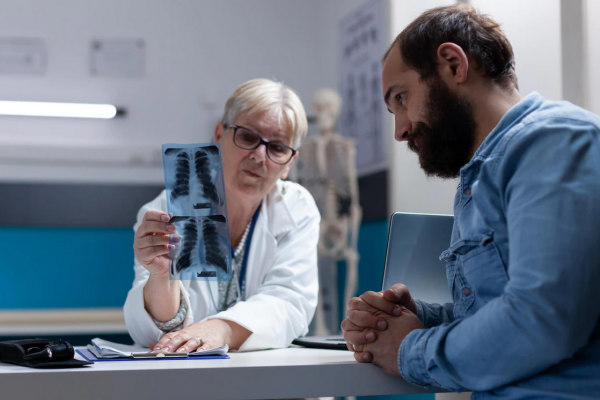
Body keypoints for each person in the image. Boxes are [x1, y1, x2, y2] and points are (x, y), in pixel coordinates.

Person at [342, 4, 600, 399]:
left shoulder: (553, 141)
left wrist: (408, 348)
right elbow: (499, 308)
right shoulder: (482, 174)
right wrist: (417, 319)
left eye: (401, 98)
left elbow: (542, 319)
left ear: (452, 64)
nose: (400, 129)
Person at [124, 78, 320, 353]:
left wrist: (221, 328)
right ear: (218, 135)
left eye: (277, 148)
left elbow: (291, 302)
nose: (260, 156)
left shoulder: (297, 208)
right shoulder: (165, 211)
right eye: (248, 137)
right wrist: (161, 277)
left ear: (289, 164)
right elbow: (151, 331)